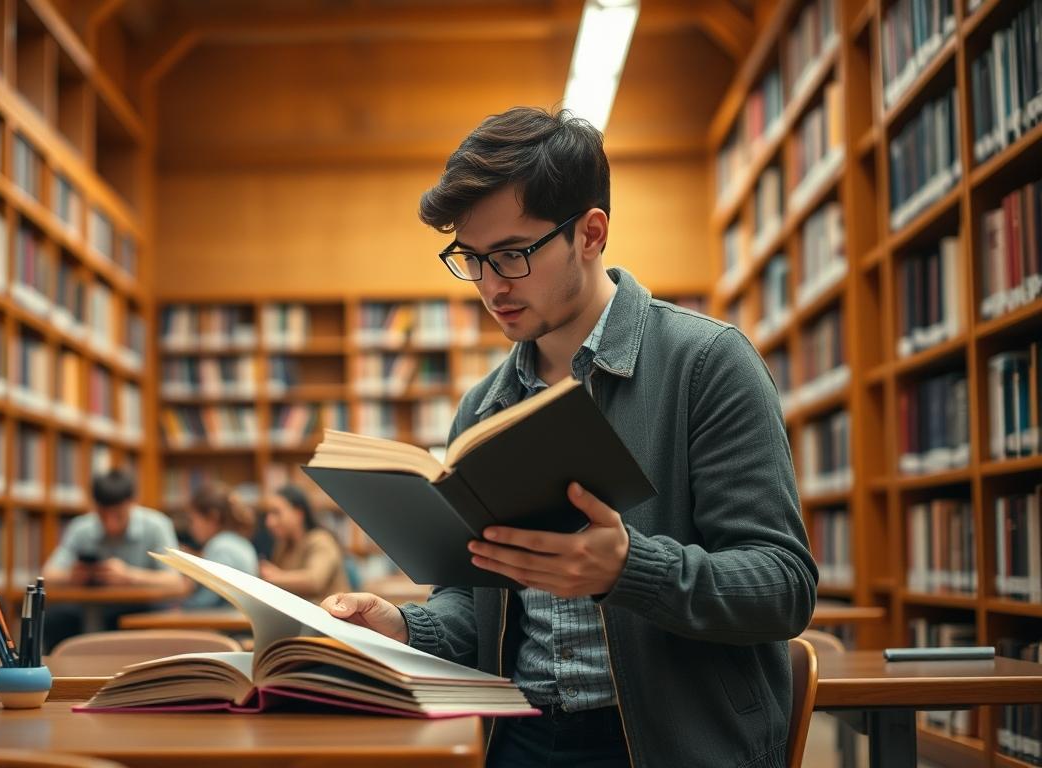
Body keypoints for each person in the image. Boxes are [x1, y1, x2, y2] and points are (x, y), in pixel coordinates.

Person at [321, 107, 818, 768]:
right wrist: (405, 626)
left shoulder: (707, 365)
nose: (492, 285)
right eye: (472, 259)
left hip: (669, 744)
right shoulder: (484, 408)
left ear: (590, 233)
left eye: (513, 255)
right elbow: (480, 602)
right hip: (518, 739)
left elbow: (783, 586)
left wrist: (630, 569)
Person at [41, 468, 187, 650]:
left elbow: (175, 582)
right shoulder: (82, 528)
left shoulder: (157, 525)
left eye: (118, 515)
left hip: (143, 608)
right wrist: (72, 576)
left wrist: (129, 576)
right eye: (103, 516)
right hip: (92, 611)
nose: (110, 524)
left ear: (133, 503)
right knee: (54, 618)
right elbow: (47, 576)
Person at [257, 484, 351, 601]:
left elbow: (315, 581)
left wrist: (275, 576)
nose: (269, 522)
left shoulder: (321, 539)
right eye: (268, 514)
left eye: (276, 513)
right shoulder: (282, 545)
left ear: (298, 513)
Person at [179, 482, 260, 610]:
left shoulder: (220, 545)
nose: (191, 528)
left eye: (193, 520)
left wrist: (183, 607)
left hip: (226, 622)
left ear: (213, 517)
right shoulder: (239, 541)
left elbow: (208, 598)